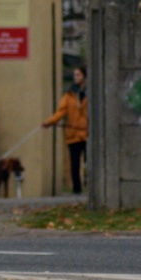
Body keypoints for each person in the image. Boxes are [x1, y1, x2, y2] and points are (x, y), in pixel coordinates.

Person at [43, 66, 88, 194]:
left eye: (78, 75)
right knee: (74, 164)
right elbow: (61, 112)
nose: (76, 77)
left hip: (87, 133)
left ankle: (91, 188)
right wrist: (49, 122)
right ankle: (77, 189)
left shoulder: (90, 93)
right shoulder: (69, 95)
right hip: (73, 133)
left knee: (89, 162)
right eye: (74, 75)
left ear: (84, 76)